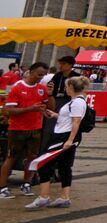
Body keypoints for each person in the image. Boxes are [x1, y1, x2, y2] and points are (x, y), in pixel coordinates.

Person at [26, 75, 89, 209]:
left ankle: (44, 196)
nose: (65, 89)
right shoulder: (76, 101)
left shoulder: (77, 102)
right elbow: (72, 119)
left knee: (43, 164)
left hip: (63, 137)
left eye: (66, 86)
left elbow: (76, 122)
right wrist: (56, 115)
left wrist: (69, 140)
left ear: (71, 87)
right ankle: (64, 197)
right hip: (65, 136)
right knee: (64, 167)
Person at [0, 62, 48, 199]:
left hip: (35, 128)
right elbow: (8, 110)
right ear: (31, 72)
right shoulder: (18, 87)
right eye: (39, 74)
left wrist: (49, 97)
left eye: (43, 75)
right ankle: (2, 187)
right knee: (11, 157)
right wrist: (29, 109)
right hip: (17, 129)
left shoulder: (42, 88)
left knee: (32, 157)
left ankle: (26, 183)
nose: (41, 77)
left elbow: (46, 106)